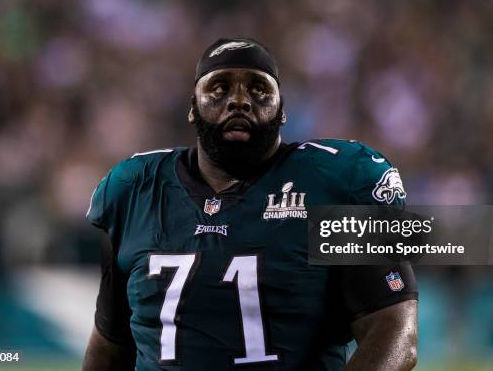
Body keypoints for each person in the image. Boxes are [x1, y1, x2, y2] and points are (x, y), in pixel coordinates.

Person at [82, 38, 418, 370]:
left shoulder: (333, 182)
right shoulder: (135, 189)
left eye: (258, 88)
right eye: (219, 88)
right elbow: (109, 345)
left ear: (283, 110)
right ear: (192, 107)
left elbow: (393, 330)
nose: (239, 100)